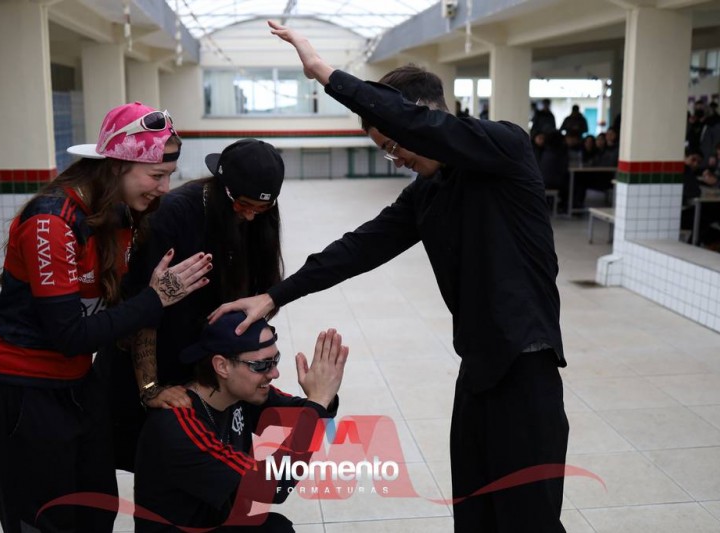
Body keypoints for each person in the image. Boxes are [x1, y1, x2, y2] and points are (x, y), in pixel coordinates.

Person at [211, 21, 569, 533]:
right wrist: (274, 296)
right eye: (386, 149)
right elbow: (359, 248)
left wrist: (325, 73)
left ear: (422, 118)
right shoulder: (426, 194)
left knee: (528, 519)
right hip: (479, 369)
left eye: (395, 144)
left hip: (526, 367)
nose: (395, 158)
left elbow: (419, 126)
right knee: (474, 514)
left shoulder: (504, 150)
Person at [0, 102, 214, 533]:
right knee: (46, 521)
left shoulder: (121, 214)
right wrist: (156, 298)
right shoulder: (52, 221)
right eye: (156, 175)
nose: (165, 187)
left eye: (169, 175)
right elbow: (71, 335)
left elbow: (113, 315)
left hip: (76, 385)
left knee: (96, 512)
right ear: (116, 165)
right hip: (18, 391)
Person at [99, 138, 286, 471]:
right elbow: (142, 309)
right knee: (160, 462)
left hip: (208, 362)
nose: (250, 215)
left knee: (221, 462)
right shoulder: (174, 214)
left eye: (261, 208)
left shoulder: (260, 216)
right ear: (223, 188)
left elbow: (259, 294)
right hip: (157, 355)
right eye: (243, 204)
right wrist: (150, 388)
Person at [134, 311, 347, 532]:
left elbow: (306, 414)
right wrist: (317, 403)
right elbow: (272, 486)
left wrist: (323, 398)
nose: (274, 373)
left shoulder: (241, 394)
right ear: (222, 366)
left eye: (275, 360)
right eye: (261, 365)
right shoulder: (179, 425)